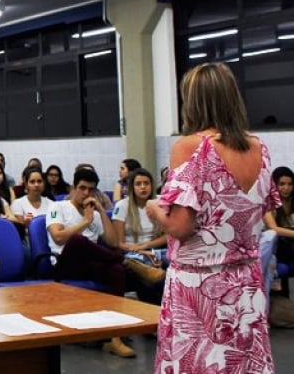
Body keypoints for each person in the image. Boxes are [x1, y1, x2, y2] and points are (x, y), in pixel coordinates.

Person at [146, 62, 279, 373]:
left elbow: (180, 226)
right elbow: (259, 211)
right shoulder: (260, 149)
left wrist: (154, 210)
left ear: (193, 101)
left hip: (199, 286)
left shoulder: (191, 147)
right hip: (245, 283)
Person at [46, 167, 150, 358]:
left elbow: (111, 241)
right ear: (73, 187)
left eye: (91, 190)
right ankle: (129, 261)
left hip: (90, 264)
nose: (86, 193)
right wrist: (85, 222)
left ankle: (115, 337)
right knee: (78, 240)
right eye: (82, 188)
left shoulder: (93, 213)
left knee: (117, 270)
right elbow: (58, 237)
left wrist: (101, 211)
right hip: (65, 264)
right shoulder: (57, 207)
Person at [111, 168, 166, 302]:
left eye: (146, 183)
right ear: (132, 187)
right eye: (138, 184)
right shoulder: (122, 206)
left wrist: (147, 246)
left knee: (172, 264)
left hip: (155, 249)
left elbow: (168, 236)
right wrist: (142, 250)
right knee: (148, 280)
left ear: (152, 185)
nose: (143, 187)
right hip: (132, 252)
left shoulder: (159, 202)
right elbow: (119, 243)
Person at [264, 166, 294, 266]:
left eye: (290, 184)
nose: (286, 188)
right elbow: (273, 229)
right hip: (276, 249)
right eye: (282, 184)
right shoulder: (268, 203)